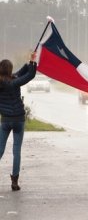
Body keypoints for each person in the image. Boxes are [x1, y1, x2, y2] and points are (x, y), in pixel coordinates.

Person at [0, 52, 37, 191]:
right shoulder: (13, 82)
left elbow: (21, 73)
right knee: (16, 151)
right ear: (9, 70)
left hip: (5, 121)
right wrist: (33, 62)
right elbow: (29, 76)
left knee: (0, 149)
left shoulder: (7, 80)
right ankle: (14, 181)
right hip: (18, 120)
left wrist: (28, 63)